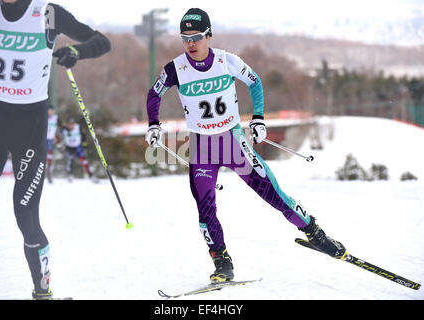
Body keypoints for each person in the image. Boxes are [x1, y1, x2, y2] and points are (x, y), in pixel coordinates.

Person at [145, 8, 346, 283]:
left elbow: (255, 82)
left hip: (232, 141)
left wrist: (259, 118)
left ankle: (313, 231)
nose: (191, 43)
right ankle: (222, 261)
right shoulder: (175, 68)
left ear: (209, 35)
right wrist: (154, 124)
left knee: (273, 194)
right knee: (205, 208)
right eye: (185, 38)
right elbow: (154, 94)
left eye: (196, 37)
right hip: (202, 147)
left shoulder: (227, 61)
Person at [0, 0, 110, 299]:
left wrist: (76, 52)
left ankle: (42, 289)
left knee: (25, 215)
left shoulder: (47, 12)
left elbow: (101, 42)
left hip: (29, 126)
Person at [60, 117, 97, 182]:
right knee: (69, 161)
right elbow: (59, 133)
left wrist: (84, 144)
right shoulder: (64, 129)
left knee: (84, 161)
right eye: (69, 124)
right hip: (69, 147)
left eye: (72, 124)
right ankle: (70, 175)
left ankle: (91, 175)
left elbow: (83, 135)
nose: (71, 126)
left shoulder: (78, 127)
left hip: (78, 147)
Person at [46, 105, 62, 183]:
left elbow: (61, 127)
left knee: (49, 157)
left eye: (52, 110)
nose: (50, 112)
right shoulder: (43, 116)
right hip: (42, 139)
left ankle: (49, 173)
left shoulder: (56, 118)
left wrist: (58, 137)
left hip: (50, 140)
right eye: (49, 110)